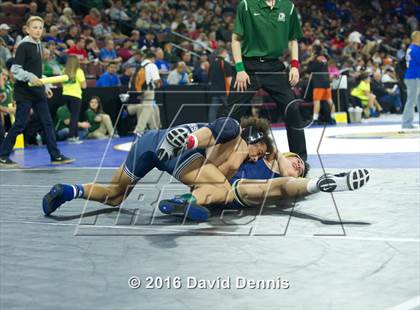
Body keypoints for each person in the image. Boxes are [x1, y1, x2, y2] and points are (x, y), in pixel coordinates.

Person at [220, 0, 308, 161]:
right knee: (230, 114)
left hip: (274, 66)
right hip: (248, 67)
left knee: (293, 109)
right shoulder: (246, 5)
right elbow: (236, 39)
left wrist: (295, 65)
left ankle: (299, 159)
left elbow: (293, 39)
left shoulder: (288, 7)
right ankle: (217, 157)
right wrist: (240, 69)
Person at [0, 16, 74, 167]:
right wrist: (31, 78)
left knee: (47, 123)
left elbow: (37, 72)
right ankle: (2, 156)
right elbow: (15, 70)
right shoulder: (24, 45)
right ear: (27, 29)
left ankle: (55, 155)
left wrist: (45, 86)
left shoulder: (39, 44)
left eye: (40, 28)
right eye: (34, 27)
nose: (38, 30)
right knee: (19, 124)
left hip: (37, 92)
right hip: (24, 93)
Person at [126, 50, 161, 136]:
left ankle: (154, 129)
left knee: (150, 109)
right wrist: (159, 84)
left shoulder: (140, 65)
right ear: (153, 58)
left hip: (139, 91)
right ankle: (139, 130)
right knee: (147, 109)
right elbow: (156, 80)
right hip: (148, 90)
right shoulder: (152, 65)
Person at [307, 45, 336, 125]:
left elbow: (309, 70)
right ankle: (333, 118)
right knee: (329, 100)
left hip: (319, 83)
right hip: (326, 82)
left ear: (314, 51)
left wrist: (310, 60)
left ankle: (315, 119)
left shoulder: (316, 59)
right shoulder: (324, 58)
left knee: (317, 101)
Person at [62, 55, 87, 143]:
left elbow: (62, 84)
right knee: (74, 116)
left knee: (73, 116)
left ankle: (75, 136)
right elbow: (84, 86)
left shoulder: (64, 71)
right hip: (75, 95)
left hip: (65, 95)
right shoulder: (79, 71)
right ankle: (71, 137)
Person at [208, 47, 232, 122]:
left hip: (214, 90)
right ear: (223, 53)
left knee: (213, 109)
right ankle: (231, 122)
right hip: (224, 90)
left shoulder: (212, 64)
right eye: (226, 53)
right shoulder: (225, 64)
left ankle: (210, 124)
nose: (227, 54)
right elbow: (229, 78)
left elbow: (209, 76)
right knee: (229, 107)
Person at [401, 31, 420, 129]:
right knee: (411, 100)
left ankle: (408, 122)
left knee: (417, 99)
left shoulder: (411, 48)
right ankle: (406, 122)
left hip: (413, 76)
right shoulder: (416, 49)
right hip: (414, 77)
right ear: (416, 38)